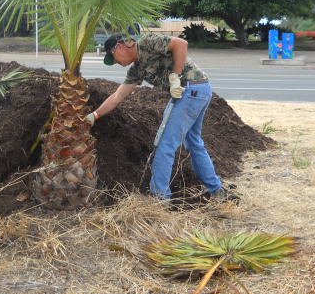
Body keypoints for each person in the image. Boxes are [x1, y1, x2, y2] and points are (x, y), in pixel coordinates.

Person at [84, 33, 234, 201]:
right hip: (198, 90)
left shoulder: (146, 42)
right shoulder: (137, 69)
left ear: (119, 47)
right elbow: (117, 97)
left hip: (191, 89)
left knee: (165, 145)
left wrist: (175, 77)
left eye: (114, 58)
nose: (117, 64)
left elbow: (181, 44)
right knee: (194, 143)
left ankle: (160, 199)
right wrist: (94, 115)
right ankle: (216, 190)